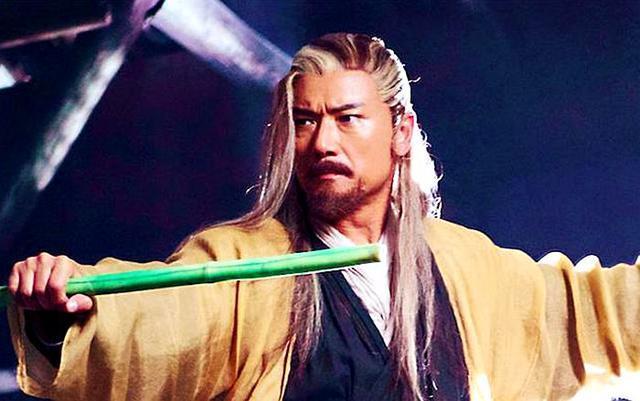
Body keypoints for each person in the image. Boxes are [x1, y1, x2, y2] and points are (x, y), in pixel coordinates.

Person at [6, 33, 640, 401]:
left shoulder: (468, 268)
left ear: (400, 131)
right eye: (305, 121)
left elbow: (593, 312)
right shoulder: (247, 263)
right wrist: (68, 310)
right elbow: (160, 324)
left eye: (347, 118)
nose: (322, 141)